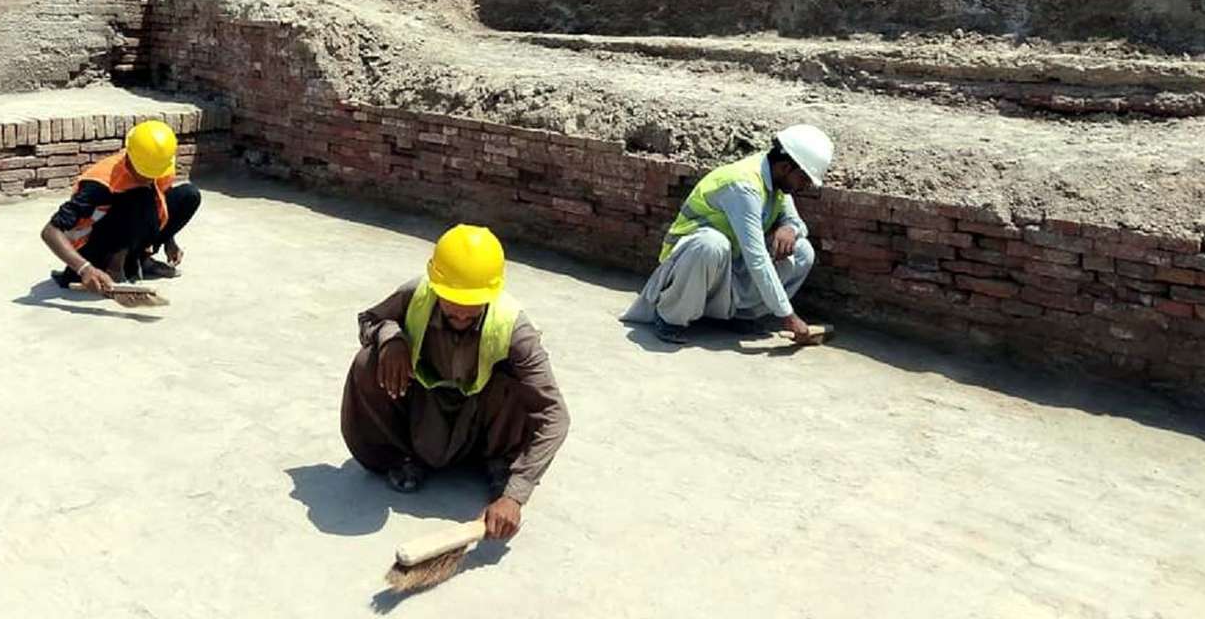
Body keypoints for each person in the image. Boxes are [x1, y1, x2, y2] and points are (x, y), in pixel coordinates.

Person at [340, 224, 570, 541]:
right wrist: (390, 338)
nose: (461, 317)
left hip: (482, 419)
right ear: (436, 285)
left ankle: (499, 464)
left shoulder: (514, 328)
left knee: (523, 385)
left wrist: (515, 494)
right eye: (452, 308)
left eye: (470, 312)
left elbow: (555, 413)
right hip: (423, 410)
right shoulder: (415, 295)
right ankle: (401, 457)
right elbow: (370, 319)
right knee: (368, 362)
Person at [622, 124, 834, 345]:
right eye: (804, 178)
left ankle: (736, 316)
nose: (805, 185)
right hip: (689, 267)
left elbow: (797, 222)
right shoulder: (743, 185)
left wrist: (791, 228)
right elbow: (757, 258)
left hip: (727, 267)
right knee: (712, 244)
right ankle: (670, 317)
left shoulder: (775, 180)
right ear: (786, 167)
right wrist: (788, 316)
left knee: (802, 251)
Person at [40, 119, 202, 298]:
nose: (150, 178)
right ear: (130, 158)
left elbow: (160, 201)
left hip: (132, 230)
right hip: (96, 246)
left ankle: (140, 258)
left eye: (153, 174)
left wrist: (169, 240)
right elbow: (50, 231)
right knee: (140, 196)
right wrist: (85, 269)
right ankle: (113, 267)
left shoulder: (159, 164)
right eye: (144, 173)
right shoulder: (100, 183)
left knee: (189, 195)